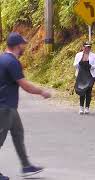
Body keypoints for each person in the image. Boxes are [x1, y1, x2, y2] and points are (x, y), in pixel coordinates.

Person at [0, 32, 52, 179]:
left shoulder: (2, 58)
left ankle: (26, 166)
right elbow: (25, 86)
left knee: (18, 133)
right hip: (4, 107)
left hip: (10, 107)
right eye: (23, 44)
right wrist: (42, 92)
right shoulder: (12, 62)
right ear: (17, 46)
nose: (24, 47)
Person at [74, 42, 95, 115]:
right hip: (81, 75)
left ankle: (87, 107)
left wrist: (90, 66)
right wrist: (80, 63)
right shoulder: (78, 55)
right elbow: (74, 64)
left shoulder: (93, 55)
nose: (88, 48)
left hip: (90, 75)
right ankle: (81, 107)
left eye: (89, 47)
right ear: (83, 47)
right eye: (86, 47)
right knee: (82, 91)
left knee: (88, 91)